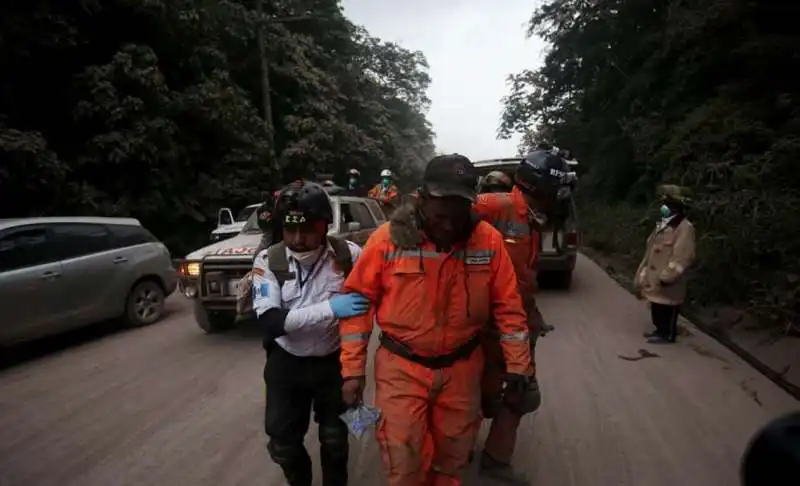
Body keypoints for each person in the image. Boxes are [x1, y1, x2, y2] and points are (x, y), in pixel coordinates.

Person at [338, 154, 534, 486]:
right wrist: (352, 370)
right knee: (404, 459)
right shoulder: (387, 240)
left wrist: (518, 366)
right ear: (422, 198)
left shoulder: (487, 241)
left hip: (462, 369)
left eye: (459, 211)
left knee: (452, 459)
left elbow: (509, 308)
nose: (449, 222)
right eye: (441, 211)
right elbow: (358, 305)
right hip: (402, 369)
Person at [252, 180, 370, 486]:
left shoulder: (349, 256)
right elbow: (270, 321)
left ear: (325, 226)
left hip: (333, 364)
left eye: (307, 229)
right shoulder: (268, 261)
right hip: (287, 364)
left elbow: (372, 304)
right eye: (290, 230)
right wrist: (331, 308)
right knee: (284, 446)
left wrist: (356, 372)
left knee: (335, 441)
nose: (298, 238)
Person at [470, 149, 565, 484]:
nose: (560, 197)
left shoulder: (532, 219)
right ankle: (460, 451)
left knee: (520, 394)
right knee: (476, 393)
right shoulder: (498, 206)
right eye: (557, 189)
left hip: (514, 321)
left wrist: (533, 312)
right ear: (542, 187)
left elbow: (522, 275)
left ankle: (494, 460)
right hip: (483, 324)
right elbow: (436, 211)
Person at [633, 184, 696, 344]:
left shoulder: (684, 228)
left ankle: (667, 334)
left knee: (668, 306)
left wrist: (668, 276)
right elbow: (651, 250)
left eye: (668, 204)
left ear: (677, 207)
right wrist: (644, 272)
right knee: (657, 305)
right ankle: (660, 330)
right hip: (656, 277)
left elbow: (683, 255)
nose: (664, 207)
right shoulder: (664, 224)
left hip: (669, 279)